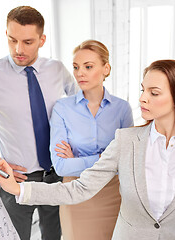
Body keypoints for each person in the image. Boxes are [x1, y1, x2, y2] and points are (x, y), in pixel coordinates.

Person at [0, 59, 175, 240]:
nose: (142, 98)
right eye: (143, 90)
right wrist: (18, 189)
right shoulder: (126, 141)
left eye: (154, 93)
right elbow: (78, 189)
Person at [0, 6, 79, 240]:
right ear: (6, 34)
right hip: (16, 179)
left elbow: (81, 107)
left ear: (42, 39)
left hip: (56, 175)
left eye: (27, 42)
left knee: (55, 236)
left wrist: (76, 145)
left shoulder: (56, 69)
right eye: (12, 39)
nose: (18, 49)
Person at [50, 40, 133, 239]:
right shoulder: (62, 108)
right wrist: (105, 158)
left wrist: (77, 160)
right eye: (76, 67)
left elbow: (127, 160)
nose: (80, 73)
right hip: (75, 193)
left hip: (113, 195)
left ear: (106, 69)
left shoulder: (122, 109)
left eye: (88, 67)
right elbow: (61, 166)